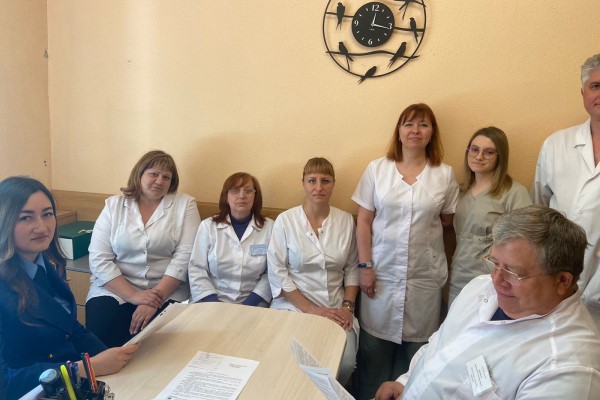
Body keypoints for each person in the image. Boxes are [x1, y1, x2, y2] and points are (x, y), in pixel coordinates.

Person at [375, 205, 600, 400]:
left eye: (513, 273)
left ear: (562, 281)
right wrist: (406, 383)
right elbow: (440, 345)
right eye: (494, 263)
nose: (496, 280)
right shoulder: (479, 288)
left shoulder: (568, 369)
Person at [352, 103, 459, 399]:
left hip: (423, 277)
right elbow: (364, 221)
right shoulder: (377, 169)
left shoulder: (444, 174)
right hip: (381, 274)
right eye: (409, 124)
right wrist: (365, 267)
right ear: (398, 131)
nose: (415, 130)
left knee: (416, 359)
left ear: (432, 133)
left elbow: (447, 221)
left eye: (423, 125)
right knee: (373, 353)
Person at [0, 177, 139, 400]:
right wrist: (85, 368)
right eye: (26, 217)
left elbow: (72, 329)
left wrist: (115, 359)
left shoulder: (45, 264)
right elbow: (6, 381)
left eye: (47, 214)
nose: (42, 227)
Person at [86, 150, 201, 347]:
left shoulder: (185, 205)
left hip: (166, 288)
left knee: (151, 342)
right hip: (116, 286)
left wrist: (154, 299)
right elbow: (99, 258)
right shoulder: (114, 205)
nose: (159, 181)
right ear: (139, 174)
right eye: (153, 174)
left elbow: (184, 257)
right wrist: (134, 296)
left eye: (166, 177)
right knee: (102, 329)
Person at [268, 157, 359, 385]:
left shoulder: (346, 221)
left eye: (325, 181)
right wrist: (310, 309)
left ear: (333, 184)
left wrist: (347, 307)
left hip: (336, 308)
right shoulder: (285, 221)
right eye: (312, 180)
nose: (319, 187)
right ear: (303, 183)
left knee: (345, 363)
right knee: (289, 361)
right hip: (293, 306)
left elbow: (352, 268)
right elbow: (278, 271)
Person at [532, 53, 600, 327]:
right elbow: (539, 213)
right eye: (595, 86)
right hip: (556, 285)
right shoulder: (556, 145)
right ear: (583, 92)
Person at [448, 127, 530, 305]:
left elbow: (525, 242)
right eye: (474, 149)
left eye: (488, 152)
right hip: (459, 274)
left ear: (500, 157)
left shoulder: (514, 193)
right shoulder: (461, 191)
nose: (479, 157)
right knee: (457, 320)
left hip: (493, 279)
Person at [188, 172, 273, 305]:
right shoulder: (208, 226)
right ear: (226, 196)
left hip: (253, 301)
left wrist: (248, 304)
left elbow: (272, 272)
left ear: (255, 197)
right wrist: (213, 302)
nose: (242, 196)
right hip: (211, 299)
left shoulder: (270, 227)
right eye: (235, 191)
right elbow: (197, 269)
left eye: (248, 191)